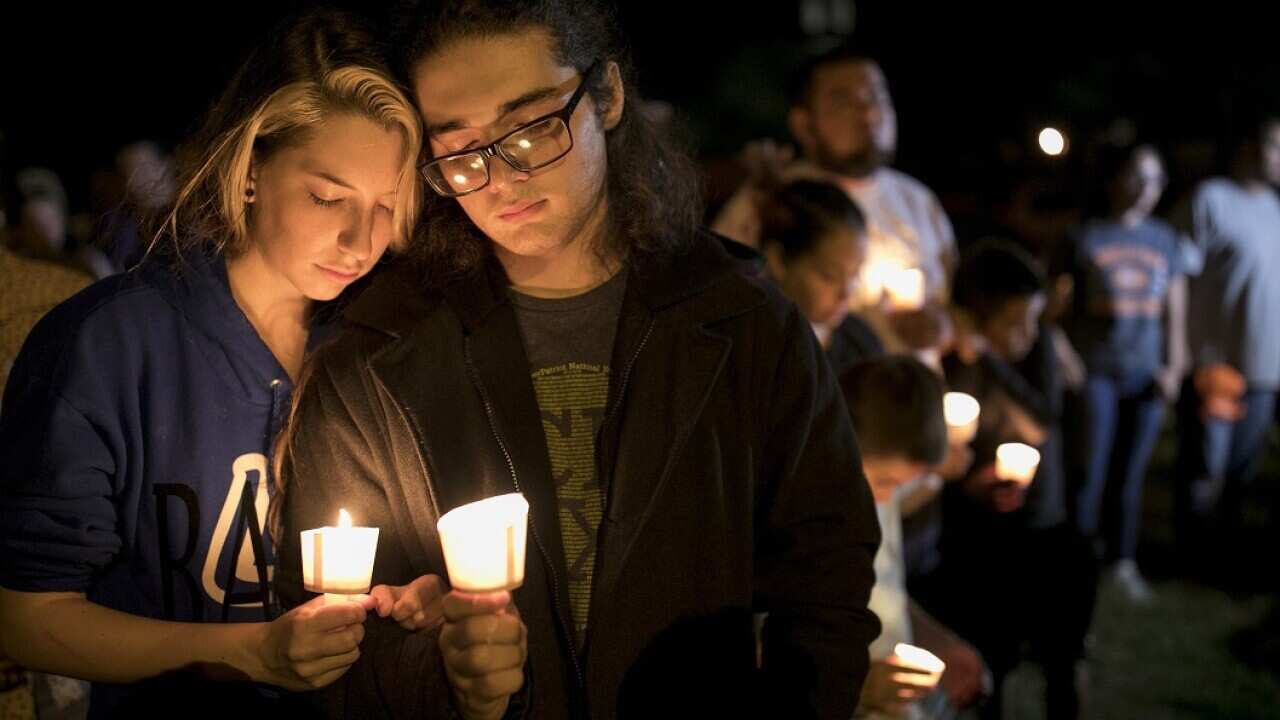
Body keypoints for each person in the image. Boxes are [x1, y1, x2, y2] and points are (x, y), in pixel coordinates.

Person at [274, 1, 881, 717]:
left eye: (530, 130)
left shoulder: (739, 322)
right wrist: (446, 675)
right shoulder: (378, 357)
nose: (501, 178)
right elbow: (330, 634)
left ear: (607, 96)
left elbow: (826, 576)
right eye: (463, 151)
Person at [0, 10, 440, 717]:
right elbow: (29, 616)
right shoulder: (110, 345)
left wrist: (424, 597)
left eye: (386, 206)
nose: (361, 241)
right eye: (327, 196)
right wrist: (247, 650)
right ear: (249, 172)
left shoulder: (382, 346)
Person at [1061, 142, 1187, 601]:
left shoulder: (1166, 241)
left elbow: (1175, 308)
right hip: (1097, 371)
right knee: (1088, 471)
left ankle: (1122, 560)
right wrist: (1068, 360)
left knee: (1130, 475)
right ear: (1116, 180)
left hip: (1146, 374)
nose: (1144, 189)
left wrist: (1174, 365)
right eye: (1136, 176)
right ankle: (1075, 558)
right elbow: (1055, 310)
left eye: (1154, 180)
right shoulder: (1085, 237)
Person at [841, 356, 988, 719]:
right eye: (887, 481)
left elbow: (886, 592)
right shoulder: (803, 532)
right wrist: (858, 686)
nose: (890, 499)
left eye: (905, 484)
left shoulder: (877, 496)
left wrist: (938, 642)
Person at [1174, 114, 1280, 569]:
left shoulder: (1274, 207)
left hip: (1265, 366)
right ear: (1249, 147)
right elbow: (1177, 275)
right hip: (1217, 363)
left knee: (1243, 469)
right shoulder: (1210, 199)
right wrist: (1179, 353)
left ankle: (1225, 558)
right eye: (1275, 145)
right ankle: (1190, 554)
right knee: (1205, 469)